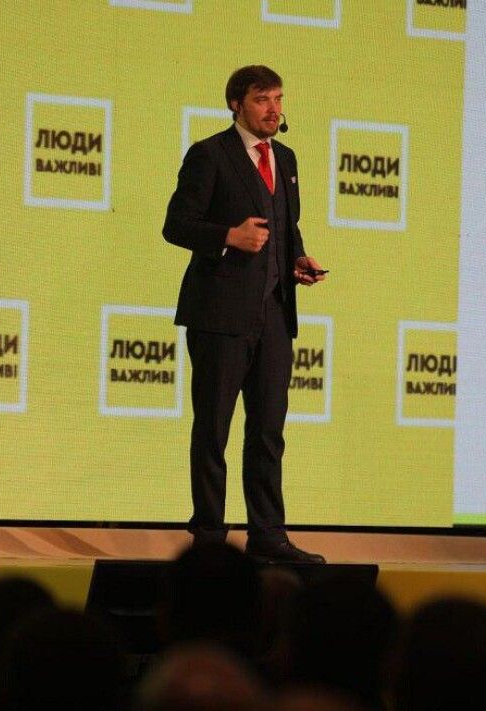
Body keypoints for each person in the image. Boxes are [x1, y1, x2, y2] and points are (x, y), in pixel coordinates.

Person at [163, 65, 326, 564]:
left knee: (268, 433)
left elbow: (286, 225)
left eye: (278, 98)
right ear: (236, 104)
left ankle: (268, 535)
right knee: (213, 430)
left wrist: (296, 258)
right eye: (262, 100)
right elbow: (176, 224)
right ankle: (209, 540)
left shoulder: (287, 158)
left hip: (275, 316)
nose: (274, 109)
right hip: (219, 316)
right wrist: (227, 237)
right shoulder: (209, 154)